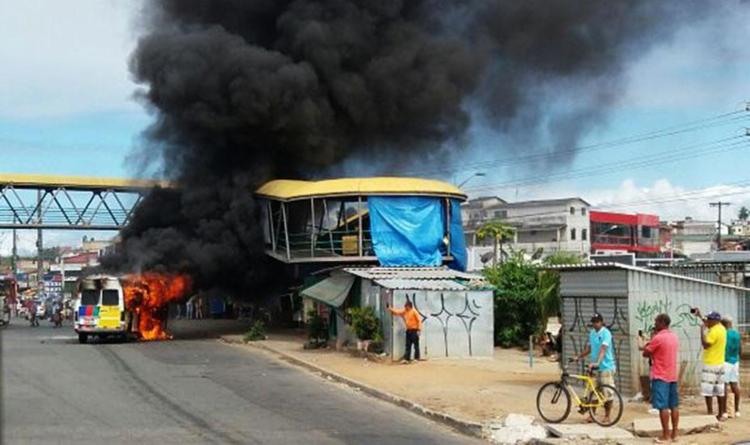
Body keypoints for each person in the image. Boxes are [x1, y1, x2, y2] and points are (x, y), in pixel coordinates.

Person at [642, 313, 680, 444]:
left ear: (662, 323)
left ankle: (666, 435)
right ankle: (675, 433)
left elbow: (645, 353)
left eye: (656, 322)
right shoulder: (674, 336)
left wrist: (647, 342)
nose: (655, 324)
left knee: (663, 407)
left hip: (660, 375)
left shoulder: (658, 338)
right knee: (674, 405)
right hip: (672, 375)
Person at [575, 313, 616, 423]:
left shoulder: (606, 333)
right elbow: (588, 349)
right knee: (593, 391)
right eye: (593, 322)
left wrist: (598, 362)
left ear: (601, 322)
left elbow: (603, 349)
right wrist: (578, 357)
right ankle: (592, 415)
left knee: (607, 392)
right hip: (594, 367)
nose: (595, 324)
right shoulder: (592, 333)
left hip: (606, 367)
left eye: (597, 322)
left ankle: (607, 416)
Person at [694, 309, 727, 420]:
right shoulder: (721, 328)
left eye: (709, 319)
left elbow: (706, 345)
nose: (707, 320)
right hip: (720, 363)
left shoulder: (713, 331)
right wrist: (700, 315)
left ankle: (710, 412)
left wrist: (702, 331)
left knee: (707, 390)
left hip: (711, 364)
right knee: (720, 390)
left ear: (715, 320)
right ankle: (721, 413)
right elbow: (707, 323)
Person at [722, 316, 741, 418]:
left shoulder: (724, 334)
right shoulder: (737, 334)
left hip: (726, 360)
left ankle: (724, 411)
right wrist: (738, 358)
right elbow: (740, 348)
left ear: (724, 324)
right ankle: (737, 410)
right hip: (735, 361)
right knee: (734, 384)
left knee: (724, 385)